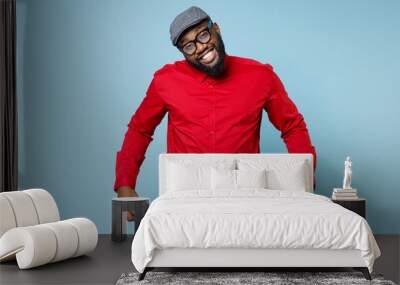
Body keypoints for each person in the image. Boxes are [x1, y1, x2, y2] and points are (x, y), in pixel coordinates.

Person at [114, 6, 317, 221]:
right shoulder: (165, 81)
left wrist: (304, 181)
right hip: (185, 199)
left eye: (203, 34)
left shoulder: (261, 76)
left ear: (216, 28)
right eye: (189, 46)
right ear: (183, 53)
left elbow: (292, 126)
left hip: (245, 198)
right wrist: (125, 185)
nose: (201, 48)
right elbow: (140, 130)